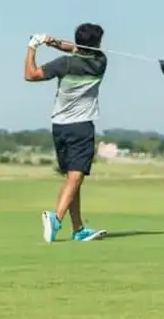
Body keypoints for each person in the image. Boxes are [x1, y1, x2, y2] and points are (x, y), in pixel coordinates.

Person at [24, 23, 108, 243]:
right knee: (75, 176)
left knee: (73, 177)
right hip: (81, 126)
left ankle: (78, 229)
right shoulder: (101, 62)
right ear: (97, 43)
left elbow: (30, 75)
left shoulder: (64, 64)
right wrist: (55, 44)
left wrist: (34, 46)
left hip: (59, 126)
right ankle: (57, 219)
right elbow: (77, 50)